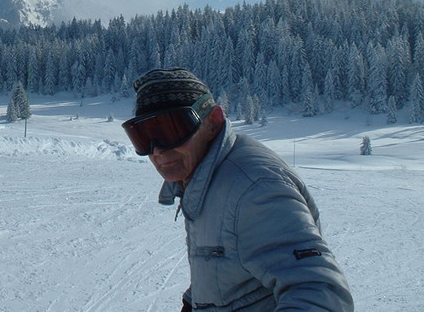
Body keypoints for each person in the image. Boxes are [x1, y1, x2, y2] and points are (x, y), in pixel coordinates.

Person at [123, 68, 354, 311]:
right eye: (143, 136)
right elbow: (227, 270)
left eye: (171, 130)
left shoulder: (254, 189)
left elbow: (321, 293)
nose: (157, 150)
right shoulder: (203, 177)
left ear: (213, 121)